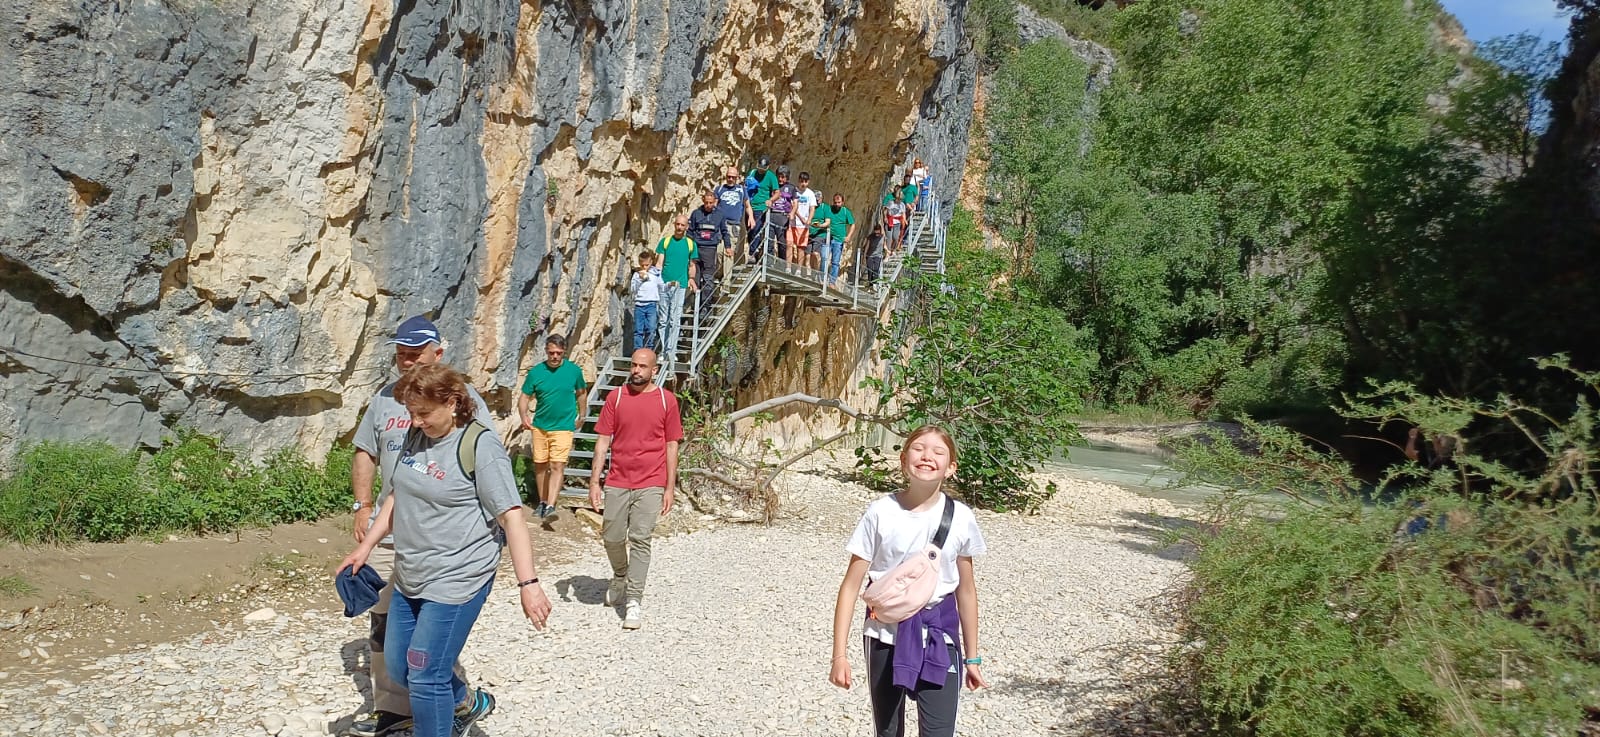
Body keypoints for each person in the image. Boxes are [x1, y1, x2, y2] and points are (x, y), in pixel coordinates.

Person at [341, 363, 552, 737]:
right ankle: (466, 703)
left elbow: (512, 517)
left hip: (458, 577)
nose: (415, 421)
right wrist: (366, 547)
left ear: (453, 403)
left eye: (423, 413)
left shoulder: (480, 446)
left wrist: (529, 584)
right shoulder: (416, 434)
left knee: (426, 675)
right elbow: (396, 494)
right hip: (411, 572)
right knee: (400, 666)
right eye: (411, 412)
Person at [346, 316, 495, 737]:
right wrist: (362, 506)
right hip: (388, 527)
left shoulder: (463, 399)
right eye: (401, 354)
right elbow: (365, 452)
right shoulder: (383, 398)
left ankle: (448, 699)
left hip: (440, 537)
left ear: (438, 353)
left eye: (415, 354)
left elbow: (485, 463)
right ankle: (394, 709)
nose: (406, 361)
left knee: (429, 632)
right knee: (384, 623)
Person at [829, 426, 987, 737]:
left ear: (951, 467)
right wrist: (839, 655)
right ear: (903, 460)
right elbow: (850, 586)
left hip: (940, 637)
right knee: (888, 731)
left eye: (938, 452)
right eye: (918, 449)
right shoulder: (880, 512)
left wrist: (973, 657)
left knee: (939, 731)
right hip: (883, 635)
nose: (927, 456)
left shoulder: (962, 518)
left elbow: (966, 591)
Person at [586, 348, 684, 630]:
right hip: (618, 479)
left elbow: (671, 445)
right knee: (612, 536)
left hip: (651, 481)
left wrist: (669, 487)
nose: (636, 370)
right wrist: (594, 482)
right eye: (633, 365)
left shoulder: (666, 400)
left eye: (642, 366)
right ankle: (620, 575)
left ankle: (634, 599)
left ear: (654, 370)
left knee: (640, 538)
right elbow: (602, 442)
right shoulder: (615, 398)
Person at [517, 334, 588, 519]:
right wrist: (524, 415)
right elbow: (524, 396)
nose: (555, 356)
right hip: (540, 425)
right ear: (546, 352)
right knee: (540, 464)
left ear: (564, 352)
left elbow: (581, 393)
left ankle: (550, 505)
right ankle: (542, 501)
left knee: (557, 464)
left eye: (558, 353)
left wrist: (582, 415)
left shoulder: (574, 371)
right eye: (551, 353)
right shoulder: (536, 372)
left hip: (563, 426)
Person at [654, 216, 699, 369]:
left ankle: (670, 351)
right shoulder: (665, 242)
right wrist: (657, 281)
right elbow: (659, 263)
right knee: (662, 320)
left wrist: (691, 279)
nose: (679, 227)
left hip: (680, 285)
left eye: (682, 225)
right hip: (665, 285)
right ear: (674, 225)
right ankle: (664, 349)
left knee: (675, 319)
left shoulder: (690, 244)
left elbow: (692, 265)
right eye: (677, 224)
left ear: (687, 227)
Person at [688, 192, 729, 313]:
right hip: (696, 249)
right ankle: (695, 305)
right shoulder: (696, 213)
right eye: (706, 202)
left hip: (710, 250)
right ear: (703, 200)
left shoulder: (720, 215)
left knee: (708, 279)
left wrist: (728, 246)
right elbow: (690, 232)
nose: (708, 205)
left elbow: (725, 231)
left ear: (714, 201)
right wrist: (689, 248)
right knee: (695, 279)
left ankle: (705, 306)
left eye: (711, 203)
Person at [713, 166, 755, 276]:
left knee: (728, 252)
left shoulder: (742, 190)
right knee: (719, 251)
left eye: (733, 177)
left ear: (737, 178)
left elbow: (747, 206)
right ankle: (720, 274)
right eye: (728, 177)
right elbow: (714, 206)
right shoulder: (720, 189)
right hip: (720, 225)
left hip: (734, 226)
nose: (730, 179)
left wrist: (751, 217)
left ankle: (726, 281)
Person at [629, 250, 664, 352]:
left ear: (651, 262)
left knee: (651, 328)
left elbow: (661, 287)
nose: (645, 267)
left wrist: (670, 285)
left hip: (651, 304)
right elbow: (633, 289)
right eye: (642, 265)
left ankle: (649, 348)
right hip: (639, 305)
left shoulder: (656, 274)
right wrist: (640, 279)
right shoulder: (636, 275)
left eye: (647, 265)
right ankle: (638, 349)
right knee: (638, 329)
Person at [746, 156, 780, 260]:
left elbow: (777, 193)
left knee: (756, 229)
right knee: (749, 231)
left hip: (761, 208)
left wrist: (770, 200)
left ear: (768, 167)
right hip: (749, 206)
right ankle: (755, 254)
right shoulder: (752, 173)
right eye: (760, 167)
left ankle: (753, 254)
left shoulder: (771, 176)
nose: (761, 170)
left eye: (763, 169)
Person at [821, 193, 856, 288]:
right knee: (824, 258)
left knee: (835, 262)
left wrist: (848, 236)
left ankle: (832, 282)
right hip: (827, 237)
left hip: (839, 240)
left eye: (839, 202)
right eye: (835, 202)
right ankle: (822, 279)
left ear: (842, 202)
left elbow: (853, 224)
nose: (837, 204)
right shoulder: (829, 209)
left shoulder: (845, 211)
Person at [767, 166, 796, 263]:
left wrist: (792, 213)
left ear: (787, 177)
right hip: (771, 214)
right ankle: (768, 263)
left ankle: (781, 264)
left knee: (782, 243)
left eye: (783, 177)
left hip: (783, 217)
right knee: (769, 241)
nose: (780, 179)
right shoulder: (773, 185)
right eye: (779, 176)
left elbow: (795, 203)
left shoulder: (791, 188)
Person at [788, 171, 817, 264]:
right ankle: (788, 267)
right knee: (789, 245)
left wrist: (809, 219)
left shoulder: (810, 194)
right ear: (798, 181)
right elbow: (793, 206)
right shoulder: (794, 191)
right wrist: (801, 218)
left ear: (808, 182)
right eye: (801, 181)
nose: (803, 184)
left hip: (803, 226)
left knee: (801, 248)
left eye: (805, 182)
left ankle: (799, 269)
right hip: (792, 223)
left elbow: (812, 208)